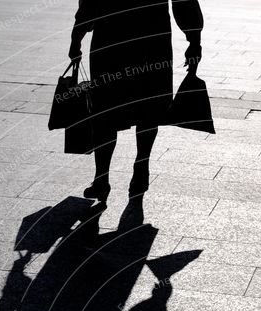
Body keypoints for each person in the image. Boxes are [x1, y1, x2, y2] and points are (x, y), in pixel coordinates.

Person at [69, 0, 204, 203]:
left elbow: (90, 3)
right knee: (148, 107)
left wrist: (76, 37)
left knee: (106, 111)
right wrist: (194, 39)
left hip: (111, 39)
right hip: (151, 38)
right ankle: (139, 167)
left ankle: (104, 177)